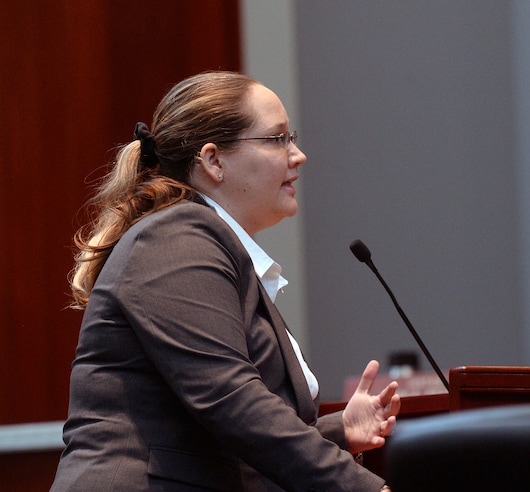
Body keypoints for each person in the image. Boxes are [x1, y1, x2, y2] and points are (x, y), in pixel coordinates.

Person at [50, 71, 400, 491]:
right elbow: (231, 401)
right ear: (213, 160)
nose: (298, 154)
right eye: (277, 139)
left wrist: (338, 430)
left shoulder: (209, 244)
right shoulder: (176, 235)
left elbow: (217, 438)